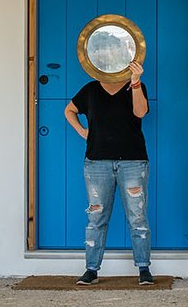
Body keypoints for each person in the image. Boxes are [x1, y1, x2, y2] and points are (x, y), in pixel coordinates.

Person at [65, 57, 154, 287]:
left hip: (133, 162)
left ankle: (144, 269)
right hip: (97, 163)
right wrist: (83, 132)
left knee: (138, 217)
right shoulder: (91, 89)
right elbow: (69, 110)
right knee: (96, 218)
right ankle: (91, 270)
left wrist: (136, 81)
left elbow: (141, 112)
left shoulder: (135, 86)